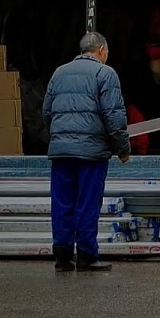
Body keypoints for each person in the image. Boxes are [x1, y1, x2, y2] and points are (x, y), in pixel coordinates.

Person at [43, 31, 131, 273]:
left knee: (62, 203)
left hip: (61, 152)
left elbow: (46, 112)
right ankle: (86, 256)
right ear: (101, 50)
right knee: (87, 203)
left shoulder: (59, 73)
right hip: (91, 153)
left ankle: (62, 257)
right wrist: (123, 150)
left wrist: (57, 137)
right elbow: (114, 116)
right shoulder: (106, 73)